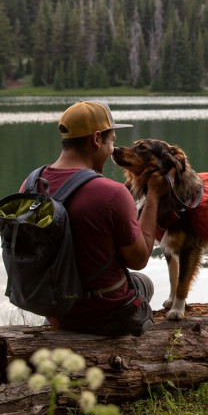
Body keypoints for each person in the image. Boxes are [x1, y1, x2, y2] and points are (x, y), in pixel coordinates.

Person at [25, 100, 168, 336]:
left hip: (55, 309)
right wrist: (153, 197)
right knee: (145, 281)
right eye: (111, 141)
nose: (113, 149)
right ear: (96, 139)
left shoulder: (32, 184)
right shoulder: (112, 193)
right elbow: (139, 258)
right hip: (105, 316)